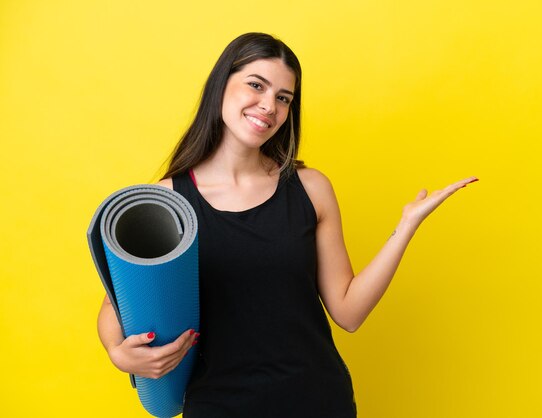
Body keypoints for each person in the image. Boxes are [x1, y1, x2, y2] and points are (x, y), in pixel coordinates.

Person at [97, 32, 478, 417]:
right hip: (219, 405)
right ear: (222, 84)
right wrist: (120, 356)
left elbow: (349, 312)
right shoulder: (170, 200)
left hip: (317, 400)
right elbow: (116, 310)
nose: (269, 106)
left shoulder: (311, 189)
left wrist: (406, 227)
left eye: (283, 98)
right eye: (256, 86)